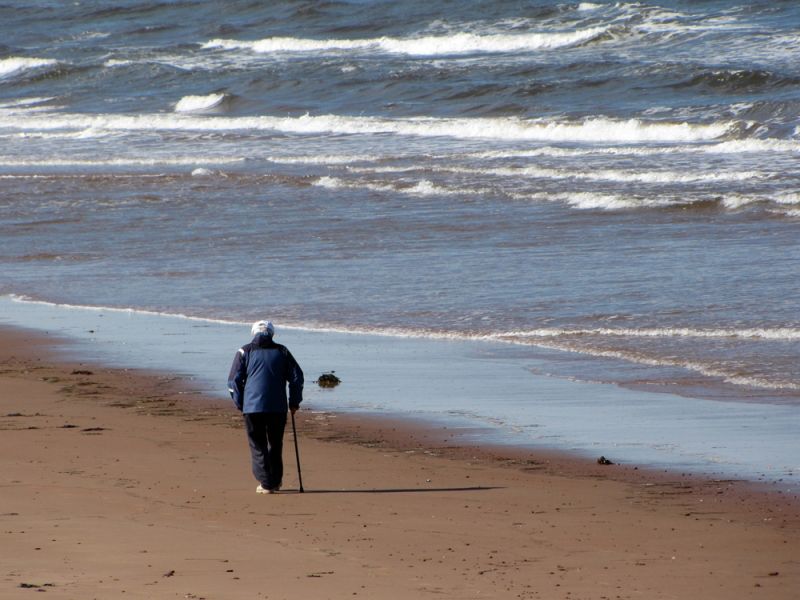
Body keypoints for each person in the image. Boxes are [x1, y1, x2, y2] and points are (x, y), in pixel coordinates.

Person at [227, 320, 304, 494]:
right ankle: (274, 482)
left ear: (253, 333)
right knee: (275, 444)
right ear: (272, 333)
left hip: (252, 407)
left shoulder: (244, 351)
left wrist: (240, 403)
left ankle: (267, 483)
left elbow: (233, 382)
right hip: (277, 408)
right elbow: (297, 377)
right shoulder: (282, 351)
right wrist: (294, 401)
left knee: (258, 444)